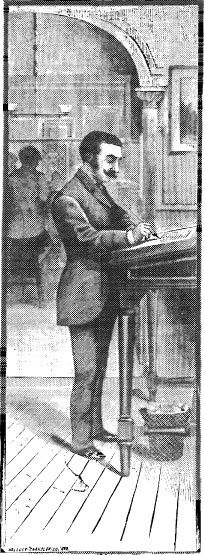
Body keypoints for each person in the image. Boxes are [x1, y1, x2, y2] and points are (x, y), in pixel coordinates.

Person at [52, 131, 153, 460]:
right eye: (110, 159)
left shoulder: (97, 191)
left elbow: (116, 215)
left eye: (118, 160)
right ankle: (81, 441)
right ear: (88, 159)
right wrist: (127, 236)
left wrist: (135, 224)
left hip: (105, 290)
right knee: (85, 371)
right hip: (81, 292)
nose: (116, 167)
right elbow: (88, 238)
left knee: (99, 366)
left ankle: (95, 427)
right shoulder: (67, 198)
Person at [7, 145, 51, 306]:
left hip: (13, 233)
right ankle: (42, 296)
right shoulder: (40, 178)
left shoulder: (10, 177)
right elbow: (44, 201)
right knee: (50, 243)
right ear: (35, 161)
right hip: (34, 233)